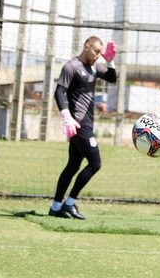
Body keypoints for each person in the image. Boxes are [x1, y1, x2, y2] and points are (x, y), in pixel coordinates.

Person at [48, 36, 117, 219]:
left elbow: (112, 78)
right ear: (87, 46)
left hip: (86, 123)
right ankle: (69, 203)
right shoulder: (71, 67)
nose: (97, 56)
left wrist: (110, 62)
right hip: (78, 124)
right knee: (95, 164)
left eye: (100, 53)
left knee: (72, 166)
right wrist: (66, 117)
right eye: (96, 51)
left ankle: (55, 208)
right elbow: (59, 91)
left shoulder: (94, 67)